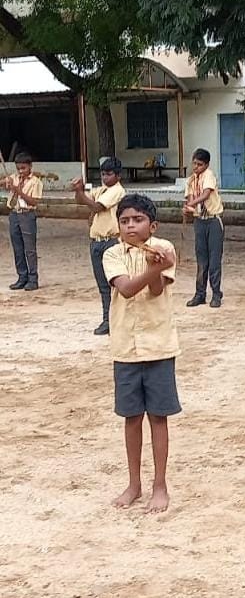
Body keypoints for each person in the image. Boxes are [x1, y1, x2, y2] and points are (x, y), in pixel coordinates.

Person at [102, 194, 181, 514]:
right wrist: (153, 269)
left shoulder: (165, 248)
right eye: (125, 221)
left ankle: (159, 484)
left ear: (153, 225)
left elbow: (158, 289)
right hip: (125, 348)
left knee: (158, 417)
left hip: (159, 345)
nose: (131, 225)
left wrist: (157, 267)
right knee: (131, 417)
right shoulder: (112, 254)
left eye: (138, 220)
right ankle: (134, 483)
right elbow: (126, 288)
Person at [71, 157, 126, 335]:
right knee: (103, 285)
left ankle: (116, 320)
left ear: (118, 176)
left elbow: (97, 206)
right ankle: (107, 319)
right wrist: (78, 190)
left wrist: (81, 191)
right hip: (96, 241)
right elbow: (82, 201)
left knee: (115, 283)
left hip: (111, 241)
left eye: (109, 174)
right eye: (103, 174)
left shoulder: (117, 191)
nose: (105, 177)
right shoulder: (102, 189)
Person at [183, 148, 225, 308]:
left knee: (214, 259)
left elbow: (206, 194)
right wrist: (187, 209)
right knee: (201, 259)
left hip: (213, 220)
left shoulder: (209, 176)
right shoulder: (191, 180)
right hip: (199, 220)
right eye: (194, 163)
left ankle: (216, 294)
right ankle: (200, 294)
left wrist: (190, 204)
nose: (196, 167)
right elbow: (189, 198)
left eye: (199, 164)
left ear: (206, 165)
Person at [4, 153, 43, 290]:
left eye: (24, 168)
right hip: (14, 214)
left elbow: (34, 201)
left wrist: (18, 191)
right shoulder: (14, 178)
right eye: (18, 168)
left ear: (30, 166)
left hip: (27, 215)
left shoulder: (36, 182)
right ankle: (22, 277)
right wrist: (7, 184)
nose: (21, 171)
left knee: (29, 249)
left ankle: (33, 279)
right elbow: (4, 183)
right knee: (18, 248)